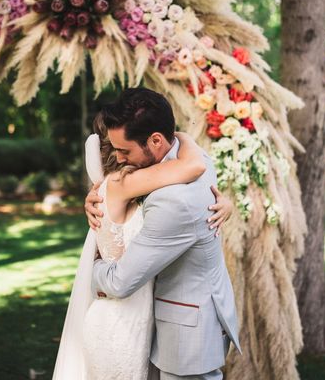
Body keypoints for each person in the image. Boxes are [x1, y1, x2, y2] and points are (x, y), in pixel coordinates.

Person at [86, 88, 241, 379]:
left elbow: (119, 282)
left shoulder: (174, 199)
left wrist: (88, 268)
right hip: (168, 315)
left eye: (125, 150)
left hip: (185, 333)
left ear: (156, 140)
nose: (119, 159)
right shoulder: (193, 157)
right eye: (115, 150)